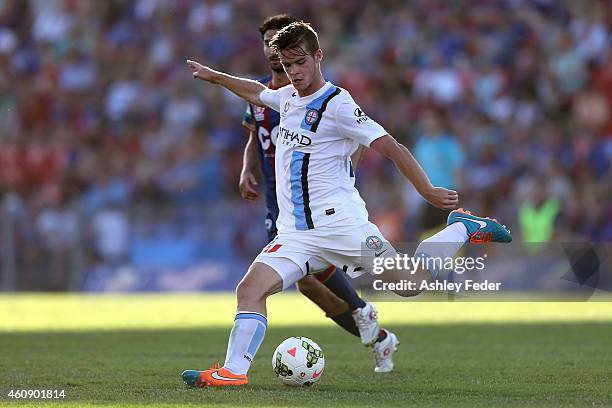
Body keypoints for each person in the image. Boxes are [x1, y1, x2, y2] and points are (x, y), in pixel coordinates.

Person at [183, 21, 512, 387]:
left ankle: (462, 226)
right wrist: (214, 77)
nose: (294, 72)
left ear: (318, 56)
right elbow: (257, 92)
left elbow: (391, 146)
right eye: (287, 65)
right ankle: (233, 372)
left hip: (342, 227)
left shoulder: (338, 104)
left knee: (409, 284)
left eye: (300, 62)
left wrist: (427, 189)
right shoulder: (288, 97)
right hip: (295, 234)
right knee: (250, 288)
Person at [238, 15, 398, 373]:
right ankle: (373, 328)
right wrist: (247, 168)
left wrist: (348, 174)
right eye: (266, 42)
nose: (270, 48)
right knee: (308, 287)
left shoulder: (319, 93)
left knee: (310, 276)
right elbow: (254, 137)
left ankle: (360, 309)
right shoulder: (261, 93)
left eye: (274, 41)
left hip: (318, 205)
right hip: (277, 200)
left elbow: (359, 135)